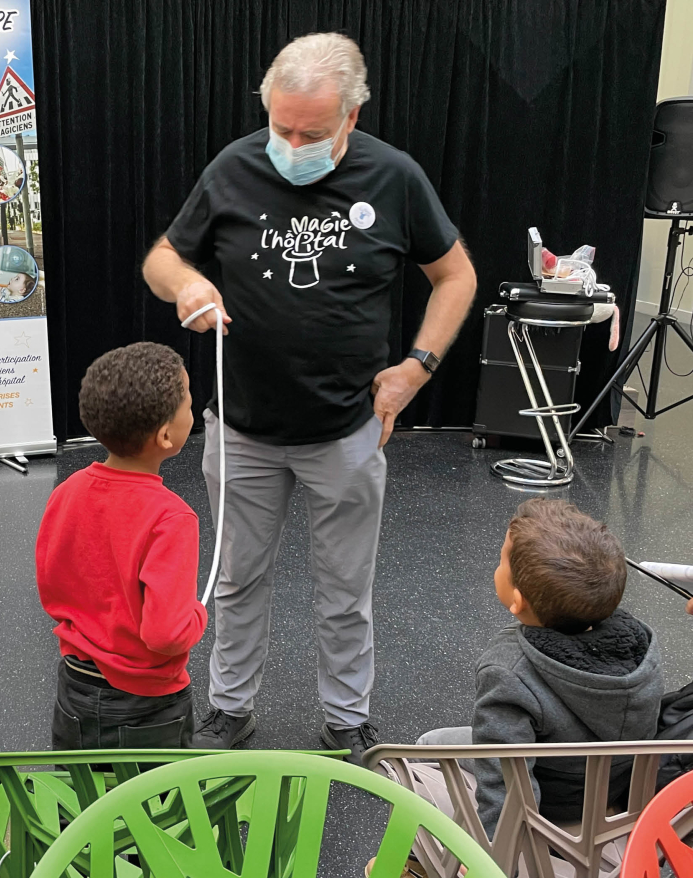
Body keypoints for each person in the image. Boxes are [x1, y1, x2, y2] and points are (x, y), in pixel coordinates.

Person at [141, 32, 477, 763]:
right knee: (235, 581)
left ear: (351, 117)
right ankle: (230, 708)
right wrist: (187, 284)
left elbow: (457, 277)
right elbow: (162, 257)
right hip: (243, 429)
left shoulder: (395, 178)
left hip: (346, 431)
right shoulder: (235, 165)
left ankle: (347, 717)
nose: (290, 145)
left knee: (344, 591)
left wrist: (416, 368)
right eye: (280, 128)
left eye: (310, 134)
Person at [416, 499, 662, 838]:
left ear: (517, 601)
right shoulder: (640, 644)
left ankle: (419, 860)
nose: (497, 566)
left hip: (554, 801)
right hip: (614, 791)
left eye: (501, 561)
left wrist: (497, 854)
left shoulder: (509, 670)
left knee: (428, 744)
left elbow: (505, 777)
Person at [36, 343, 208, 750]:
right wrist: (197, 615)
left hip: (75, 686)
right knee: (158, 808)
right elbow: (166, 634)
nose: (192, 408)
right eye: (187, 401)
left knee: (80, 800)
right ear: (166, 434)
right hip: (149, 704)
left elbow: (52, 583)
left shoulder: (68, 491)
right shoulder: (172, 518)